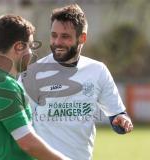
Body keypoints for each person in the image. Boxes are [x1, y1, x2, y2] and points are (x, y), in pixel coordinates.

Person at [19, 4, 133, 160]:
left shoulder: (98, 71)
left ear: (82, 38)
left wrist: (122, 121)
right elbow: (19, 128)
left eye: (65, 36)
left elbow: (116, 115)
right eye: (54, 35)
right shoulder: (32, 74)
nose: (57, 42)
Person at [0, 14, 71, 160]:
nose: (31, 52)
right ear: (18, 47)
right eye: (30, 46)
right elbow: (27, 142)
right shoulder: (4, 84)